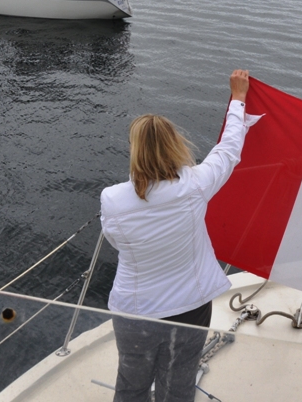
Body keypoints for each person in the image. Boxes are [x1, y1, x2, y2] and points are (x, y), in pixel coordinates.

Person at [101, 70, 252, 402]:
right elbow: (228, 150)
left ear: (134, 150)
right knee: (178, 386)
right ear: (174, 145)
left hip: (134, 311)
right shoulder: (195, 185)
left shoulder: (112, 199)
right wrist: (238, 99)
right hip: (189, 309)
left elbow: (115, 240)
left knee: (130, 386)